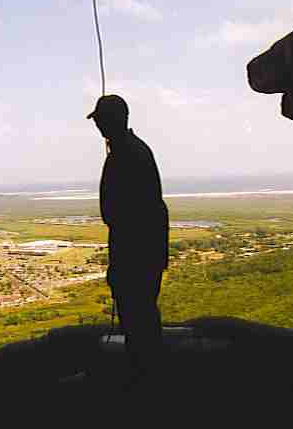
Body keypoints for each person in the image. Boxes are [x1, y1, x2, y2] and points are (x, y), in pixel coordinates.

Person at [87, 94, 169, 386]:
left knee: (138, 318)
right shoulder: (133, 150)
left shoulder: (126, 154)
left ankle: (144, 378)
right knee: (142, 315)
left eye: (99, 119)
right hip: (143, 252)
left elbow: (121, 214)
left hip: (134, 254)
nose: (96, 125)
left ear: (110, 121)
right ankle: (147, 374)